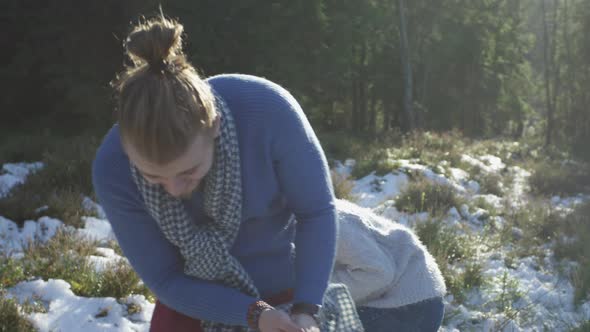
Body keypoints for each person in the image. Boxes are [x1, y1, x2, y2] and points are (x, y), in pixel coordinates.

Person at [92, 14, 446, 332]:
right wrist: (253, 313)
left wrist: (307, 308)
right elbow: (166, 278)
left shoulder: (267, 112)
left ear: (213, 126)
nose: (173, 189)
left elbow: (316, 213)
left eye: (188, 171)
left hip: (292, 287)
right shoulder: (113, 170)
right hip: (196, 294)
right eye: (154, 178)